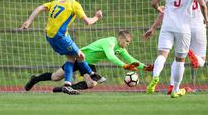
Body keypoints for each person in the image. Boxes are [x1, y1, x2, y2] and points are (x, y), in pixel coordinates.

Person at [20, 0, 103, 95]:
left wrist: (29, 21)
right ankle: (92, 74)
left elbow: (40, 7)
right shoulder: (74, 4)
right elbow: (88, 22)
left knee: (71, 58)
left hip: (50, 36)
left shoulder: (56, 2)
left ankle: (68, 85)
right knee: (80, 56)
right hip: (60, 36)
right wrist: (97, 17)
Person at [146, 0, 208, 98]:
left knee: (162, 55)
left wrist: (159, 10)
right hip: (183, 28)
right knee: (180, 60)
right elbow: (203, 5)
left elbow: (154, 2)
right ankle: (175, 90)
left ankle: (155, 76)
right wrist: (206, 18)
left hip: (167, 26)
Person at [24, 30, 154, 92]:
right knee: (55, 76)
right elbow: (110, 57)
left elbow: (132, 60)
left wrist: (145, 67)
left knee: (90, 83)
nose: (128, 44)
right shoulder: (109, 42)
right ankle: (35, 79)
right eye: (127, 42)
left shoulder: (120, 48)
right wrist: (124, 65)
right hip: (80, 57)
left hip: (88, 63)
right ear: (120, 39)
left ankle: (64, 88)